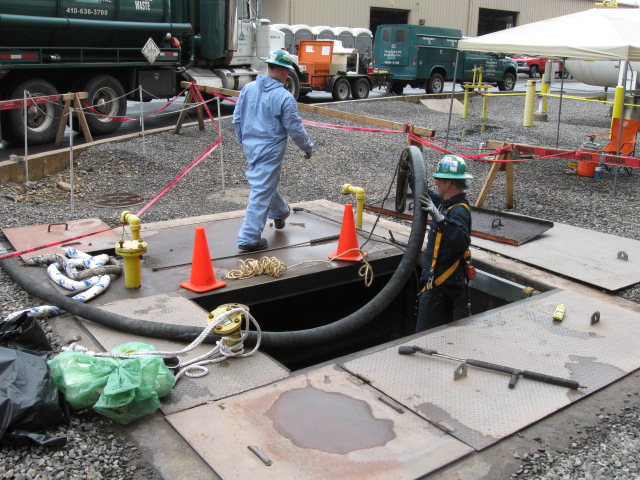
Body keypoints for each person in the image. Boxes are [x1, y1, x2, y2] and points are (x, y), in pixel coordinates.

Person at [232, 49, 314, 252]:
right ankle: (249, 238)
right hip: (270, 150)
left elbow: (236, 119)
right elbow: (295, 129)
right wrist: (307, 148)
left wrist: (243, 140)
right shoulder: (284, 97)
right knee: (262, 188)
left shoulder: (248, 88)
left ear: (269, 67)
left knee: (264, 183)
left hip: (251, 147)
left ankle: (280, 212)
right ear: (286, 72)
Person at [416, 154, 473, 333]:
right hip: (440, 286)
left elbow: (461, 240)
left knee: (423, 337)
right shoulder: (447, 204)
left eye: (439, 180)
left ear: (449, 183)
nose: (436, 183)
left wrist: (440, 219)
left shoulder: (458, 211)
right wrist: (412, 177)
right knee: (439, 335)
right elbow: (428, 197)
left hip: (440, 288)